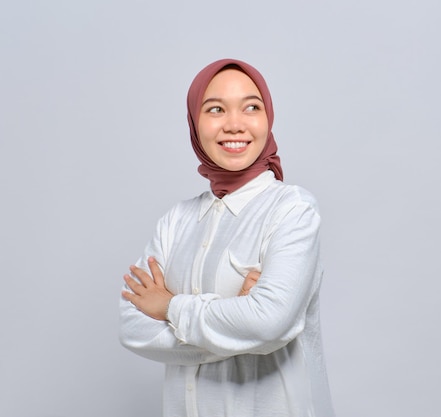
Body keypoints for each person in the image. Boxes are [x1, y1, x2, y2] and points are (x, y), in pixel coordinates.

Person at [119, 58, 335, 417]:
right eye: (215, 109)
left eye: (252, 107)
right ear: (194, 122)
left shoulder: (292, 210)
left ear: (268, 118)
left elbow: (268, 321)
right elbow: (132, 326)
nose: (235, 124)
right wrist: (243, 329)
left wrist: (171, 308)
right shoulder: (176, 221)